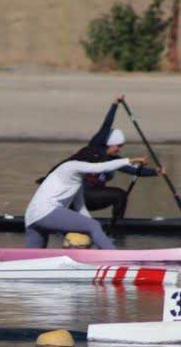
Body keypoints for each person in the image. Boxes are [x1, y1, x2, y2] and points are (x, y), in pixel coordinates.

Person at [36, 94, 167, 222]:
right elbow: (106, 126)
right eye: (118, 146)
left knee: (120, 196)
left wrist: (156, 172)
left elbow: (134, 170)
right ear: (108, 143)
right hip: (76, 196)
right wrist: (115, 104)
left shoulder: (113, 160)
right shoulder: (95, 148)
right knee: (120, 194)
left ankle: (117, 223)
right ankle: (118, 226)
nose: (120, 149)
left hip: (91, 198)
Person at [25, 150, 148, 249]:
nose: (97, 176)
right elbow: (101, 167)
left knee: (32, 260)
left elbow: (80, 208)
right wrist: (130, 160)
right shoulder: (70, 166)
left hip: (32, 217)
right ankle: (115, 256)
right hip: (46, 212)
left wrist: (97, 230)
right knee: (93, 226)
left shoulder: (76, 181)